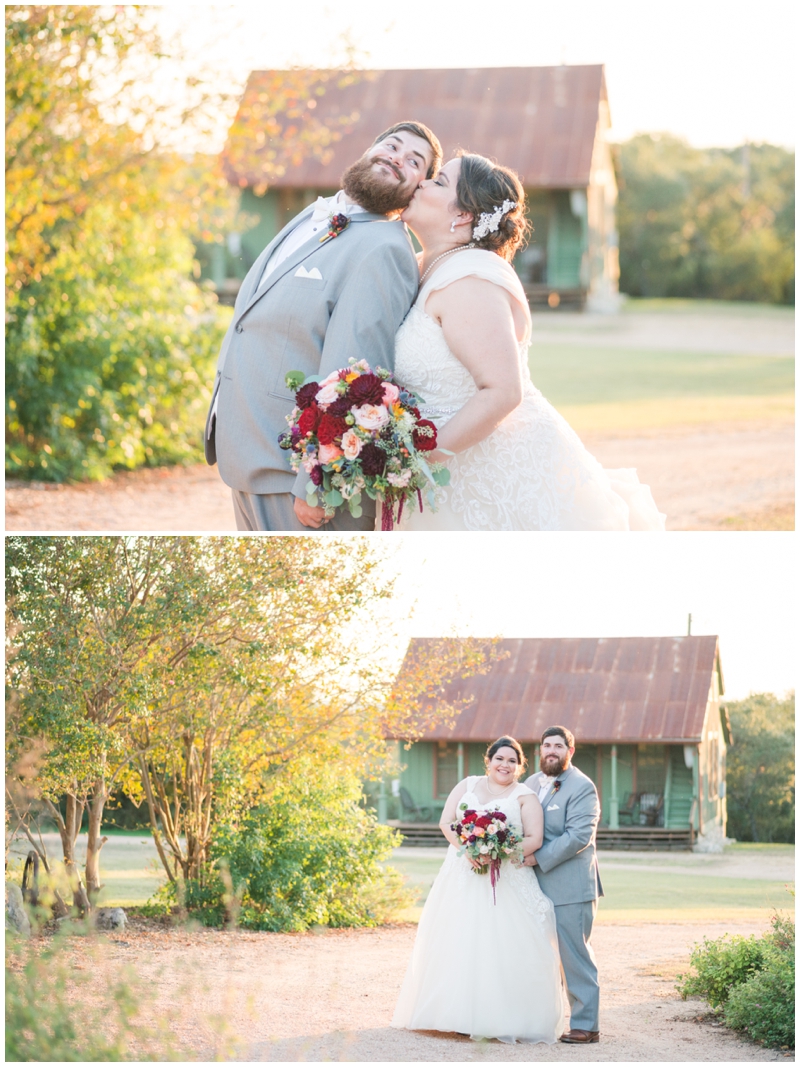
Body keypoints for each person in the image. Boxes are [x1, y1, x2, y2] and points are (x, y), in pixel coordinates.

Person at [391, 151, 666, 530]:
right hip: (447, 479)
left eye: (438, 182)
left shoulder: (469, 280)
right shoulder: (427, 265)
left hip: (490, 480)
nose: (421, 181)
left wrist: (418, 459)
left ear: (463, 215)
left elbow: (502, 391)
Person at [204, 121, 442, 531]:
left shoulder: (384, 249)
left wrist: (316, 481)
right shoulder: (315, 215)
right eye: (392, 145)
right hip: (248, 450)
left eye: (413, 161)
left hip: (293, 477)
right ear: (370, 149)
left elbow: (355, 375)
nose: (396, 158)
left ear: (419, 188)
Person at [392, 736, 566, 1044]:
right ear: (488, 760)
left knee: (501, 941)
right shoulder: (467, 786)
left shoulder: (525, 797)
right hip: (462, 873)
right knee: (458, 938)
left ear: (520, 766)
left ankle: (500, 1017)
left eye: (513, 761)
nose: (505, 765)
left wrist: (498, 851)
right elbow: (447, 823)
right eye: (500, 758)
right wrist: (470, 849)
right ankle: (455, 1014)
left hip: (505, 878)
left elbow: (535, 839)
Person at [523, 726, 604, 1044]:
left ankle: (587, 1025)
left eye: (559, 745)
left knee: (574, 956)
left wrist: (536, 858)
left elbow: (579, 837)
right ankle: (536, 1019)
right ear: (539, 752)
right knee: (534, 954)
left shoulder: (582, 786)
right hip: (531, 886)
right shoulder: (530, 783)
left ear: (570, 751)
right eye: (546, 745)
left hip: (571, 886)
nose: (552, 750)